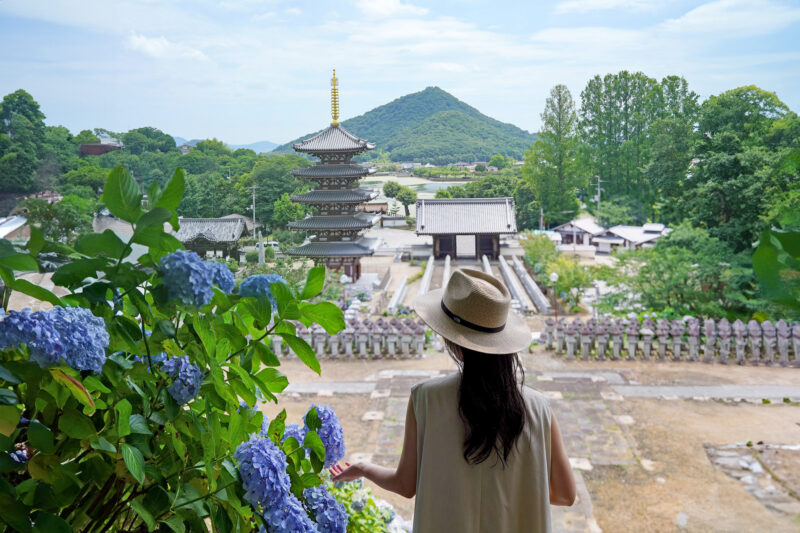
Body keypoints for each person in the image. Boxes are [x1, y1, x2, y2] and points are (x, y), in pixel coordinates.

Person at [330, 268, 575, 532]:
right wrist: (515, 491)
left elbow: (405, 485)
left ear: (450, 339)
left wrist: (364, 468)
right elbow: (565, 494)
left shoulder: (425, 400)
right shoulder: (539, 409)